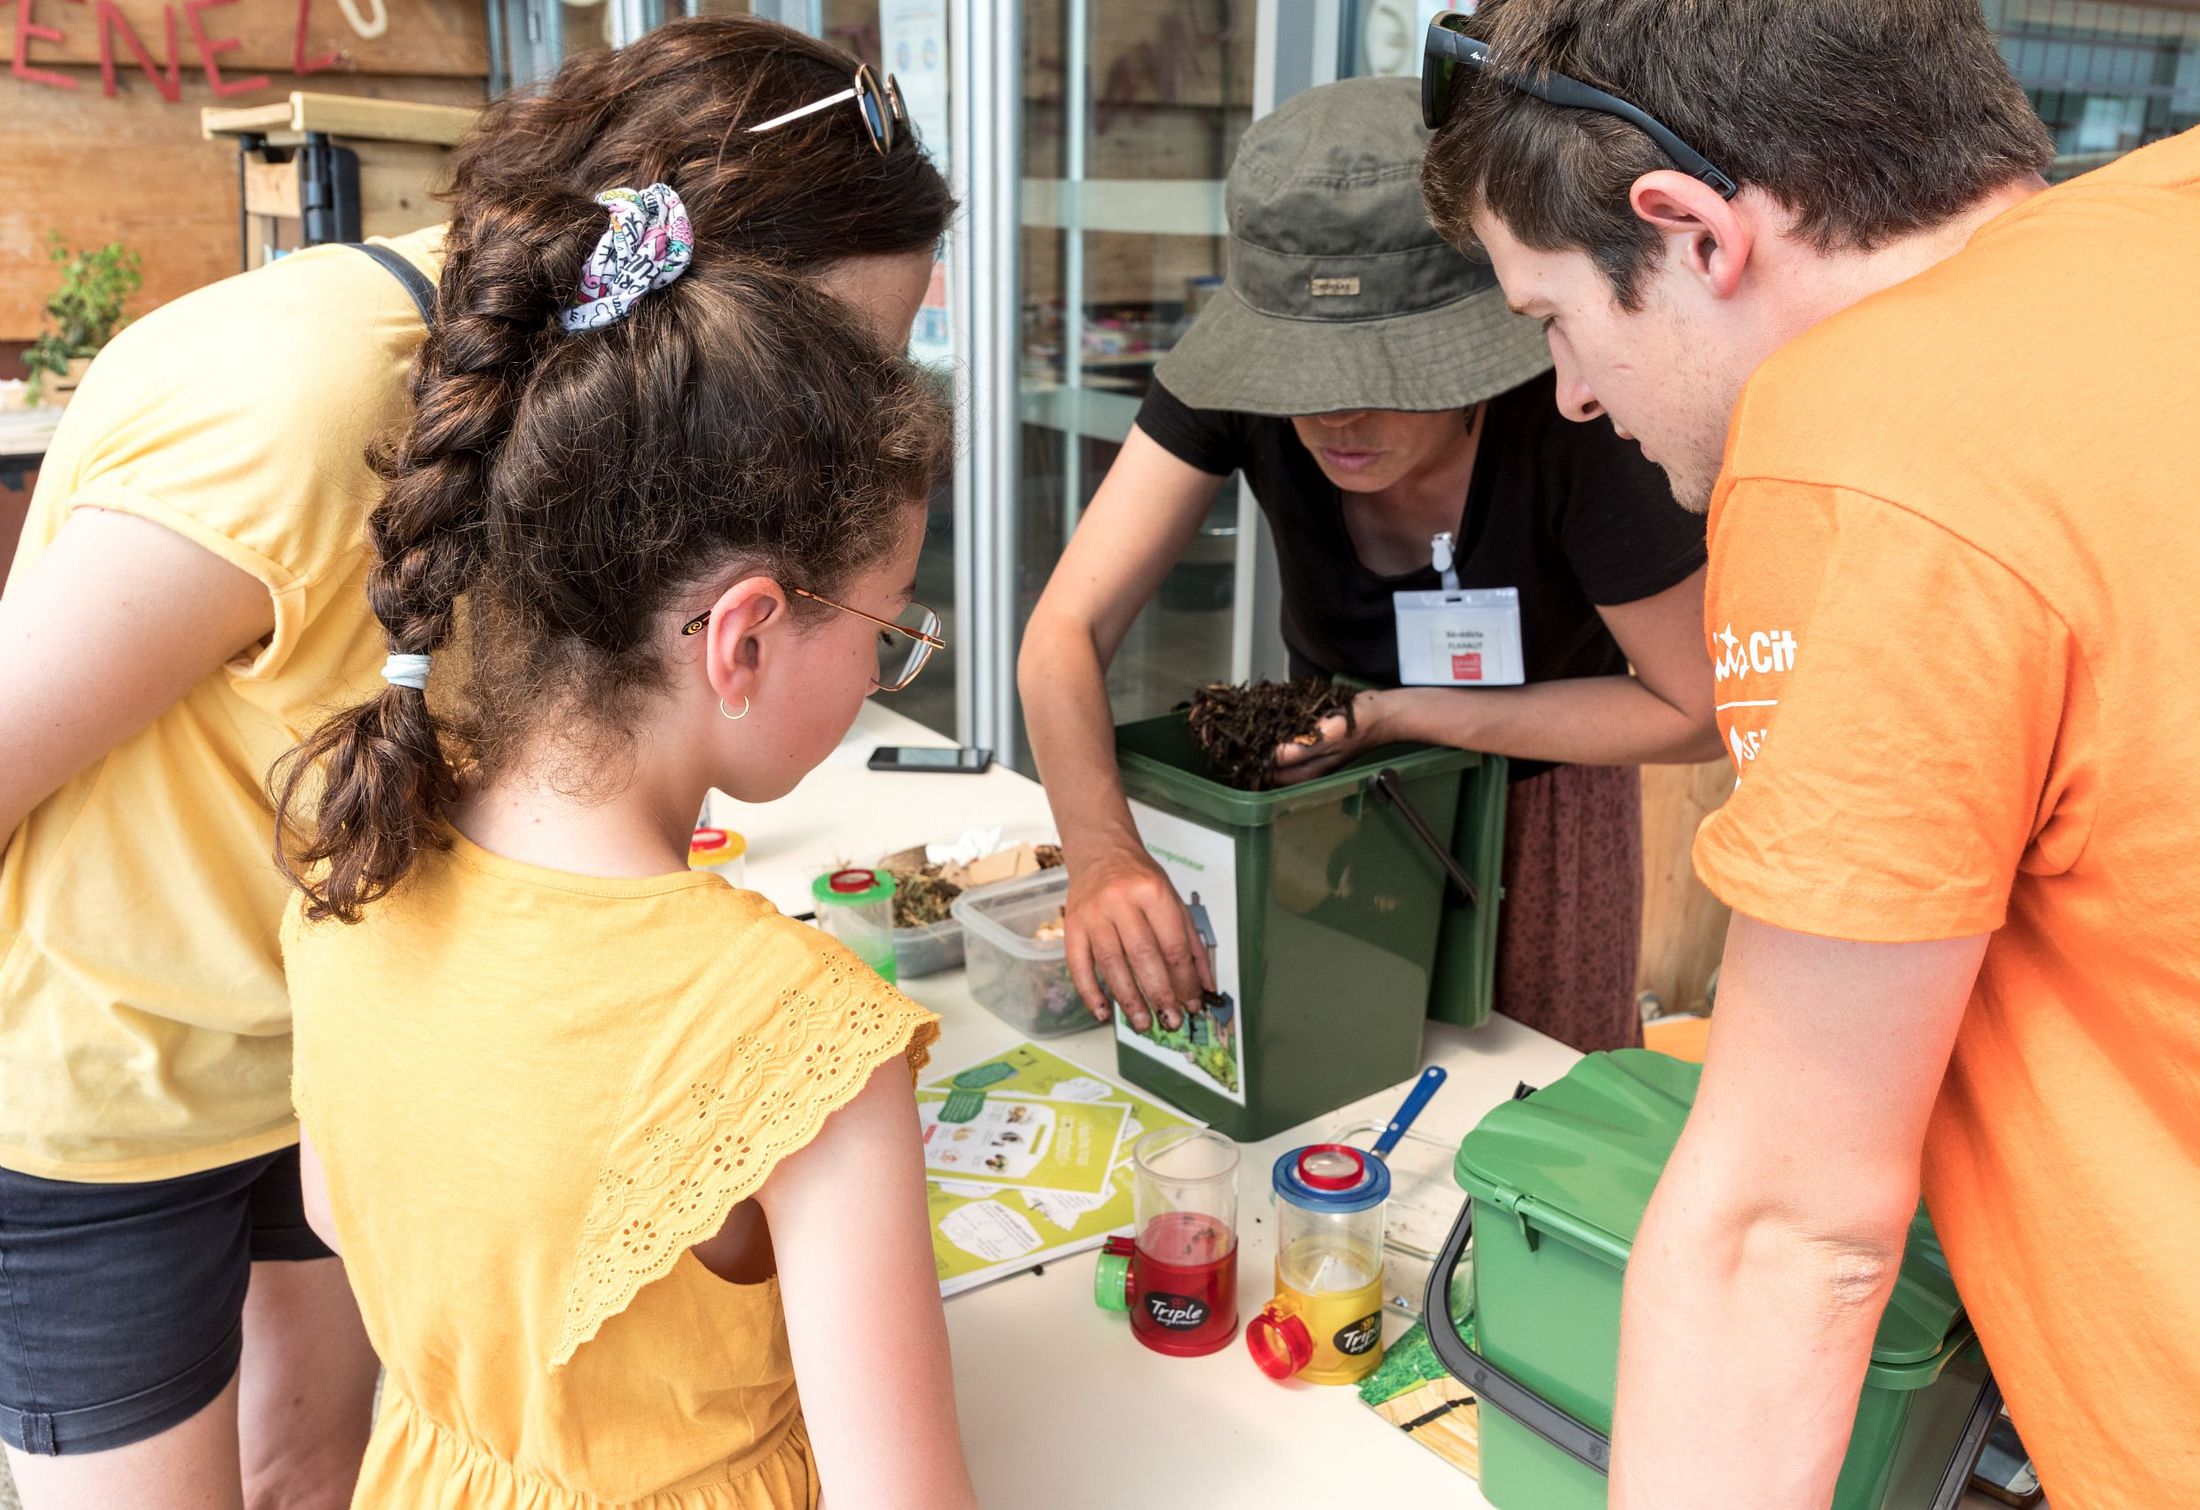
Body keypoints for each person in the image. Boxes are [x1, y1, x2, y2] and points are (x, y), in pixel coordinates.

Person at [0, 19, 952, 1508]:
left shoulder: (552, 457)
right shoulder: (312, 405)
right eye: (855, 352)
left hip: (337, 1030)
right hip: (110, 1085)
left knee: (316, 1455)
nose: (864, 404)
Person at [1420, 2, 2200, 1505]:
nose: (1572, 394)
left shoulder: (1864, 435)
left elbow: (1789, 1231)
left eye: (1553, 321)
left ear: (1692, 231)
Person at [273, 188, 972, 1505]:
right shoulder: (796, 1037)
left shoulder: (364, 844)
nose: (888, 660)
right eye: (886, 626)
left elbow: (333, 1208)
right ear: (744, 636)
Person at [1020, 77, 1715, 1055]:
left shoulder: (1576, 418)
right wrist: (1100, 849)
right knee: (1319, 1073)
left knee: (1521, 1088)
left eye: (1382, 380)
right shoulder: (1233, 389)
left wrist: (1407, 712)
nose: (1338, 419)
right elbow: (1064, 632)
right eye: (1304, 381)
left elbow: (1698, 710)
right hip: (1322, 796)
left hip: (1539, 802)